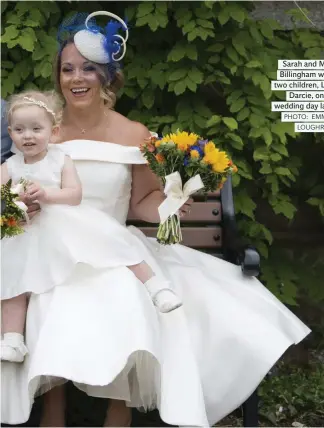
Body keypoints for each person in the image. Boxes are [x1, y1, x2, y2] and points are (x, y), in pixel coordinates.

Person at [1, 11, 311, 428]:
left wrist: (168, 205)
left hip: (113, 247)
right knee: (50, 293)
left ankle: (119, 407)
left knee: (124, 293)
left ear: (108, 76)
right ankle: (53, 407)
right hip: (52, 246)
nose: (76, 78)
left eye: (88, 68)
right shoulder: (42, 133)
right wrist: (22, 206)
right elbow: (16, 188)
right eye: (67, 68)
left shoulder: (134, 134)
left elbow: (139, 203)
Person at [1, 90, 184, 363]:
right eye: (19, 130)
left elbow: (74, 194)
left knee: (109, 243)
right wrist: (16, 201)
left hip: (64, 220)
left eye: (36, 129)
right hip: (30, 230)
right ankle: (13, 339)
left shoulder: (60, 158)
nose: (28, 136)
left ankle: (157, 286)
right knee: (12, 279)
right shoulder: (10, 165)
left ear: (54, 131)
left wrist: (48, 195)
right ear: (10, 133)